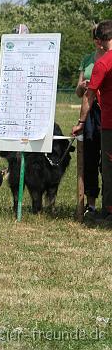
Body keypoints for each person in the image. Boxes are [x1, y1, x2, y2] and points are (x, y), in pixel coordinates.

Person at [72, 20, 112, 224]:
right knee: (94, 159)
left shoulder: (103, 62)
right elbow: (83, 92)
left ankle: (108, 210)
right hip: (99, 117)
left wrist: (80, 120)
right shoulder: (90, 60)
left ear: (103, 40)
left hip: (106, 119)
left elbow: (89, 96)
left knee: (107, 165)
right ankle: (94, 204)